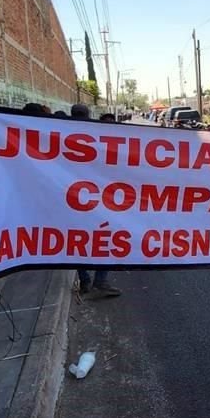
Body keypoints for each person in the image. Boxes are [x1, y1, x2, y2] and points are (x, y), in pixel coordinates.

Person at [70, 103, 121, 297]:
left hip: (74, 200)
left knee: (75, 242)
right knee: (105, 240)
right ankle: (99, 281)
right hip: (100, 200)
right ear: (88, 114)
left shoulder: (60, 133)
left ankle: (85, 281)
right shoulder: (96, 135)